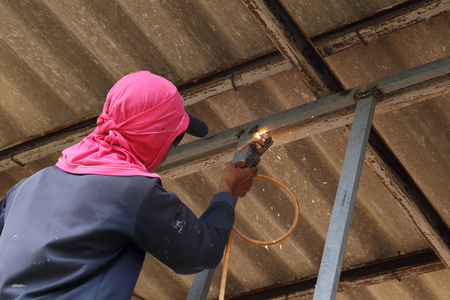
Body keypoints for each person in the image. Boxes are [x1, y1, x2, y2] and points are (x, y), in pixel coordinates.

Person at [0, 71, 257, 299]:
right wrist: (227, 191)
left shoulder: (27, 186)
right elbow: (202, 252)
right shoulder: (133, 191)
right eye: (174, 139)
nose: (169, 148)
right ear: (154, 137)